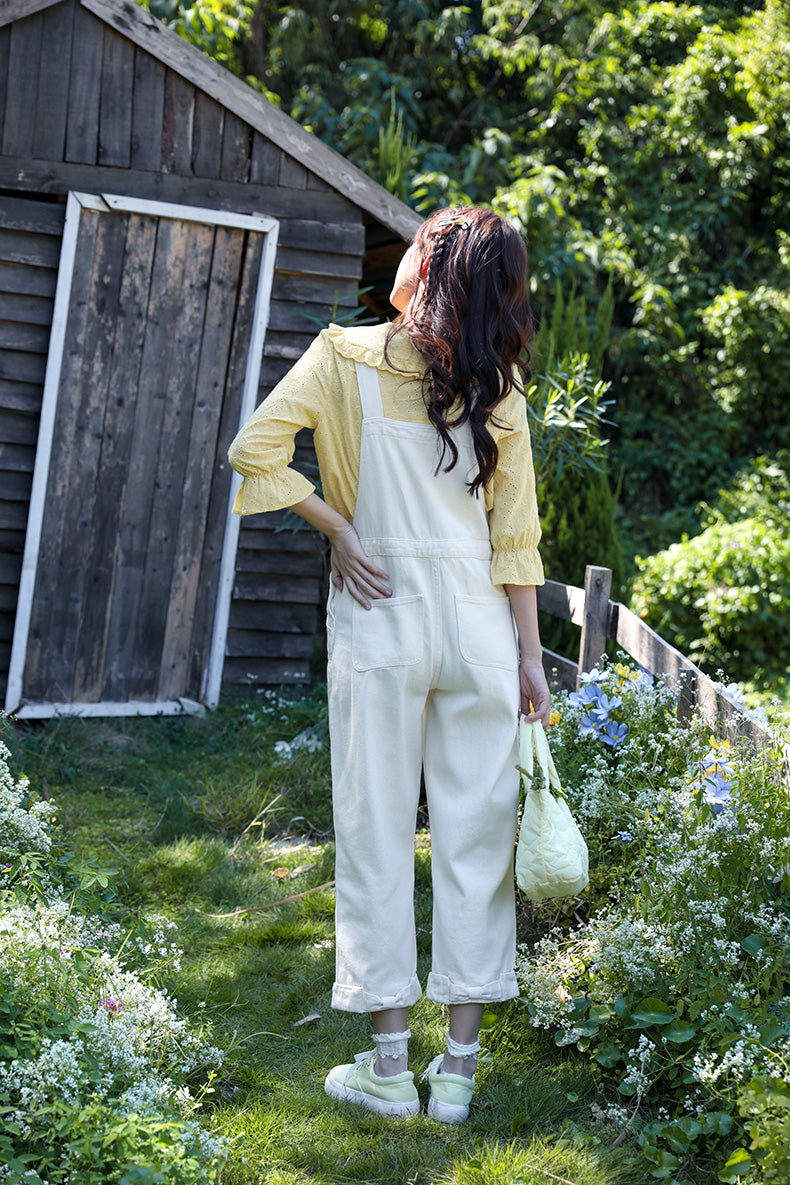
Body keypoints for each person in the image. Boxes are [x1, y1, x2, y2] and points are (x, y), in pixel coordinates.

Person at [228, 205, 550, 1124]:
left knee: (374, 828)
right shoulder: (501, 387)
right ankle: (456, 1074)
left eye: (418, 242)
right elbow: (515, 541)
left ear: (433, 267)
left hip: (382, 617)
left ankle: (383, 1066)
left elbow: (252, 449)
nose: (404, 251)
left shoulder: (344, 357)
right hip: (484, 631)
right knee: (476, 839)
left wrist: (337, 528)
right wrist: (530, 658)